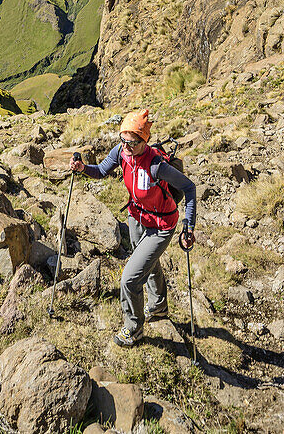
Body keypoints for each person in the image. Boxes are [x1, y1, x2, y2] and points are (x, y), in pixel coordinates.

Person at [70, 107, 196, 347]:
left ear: (144, 141)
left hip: (161, 224)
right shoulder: (121, 152)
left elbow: (189, 188)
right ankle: (158, 306)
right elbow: (101, 171)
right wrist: (83, 168)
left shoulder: (157, 165)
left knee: (129, 279)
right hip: (136, 218)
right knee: (148, 263)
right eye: (123, 140)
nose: (126, 146)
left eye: (132, 143)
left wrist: (188, 226)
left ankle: (134, 329)